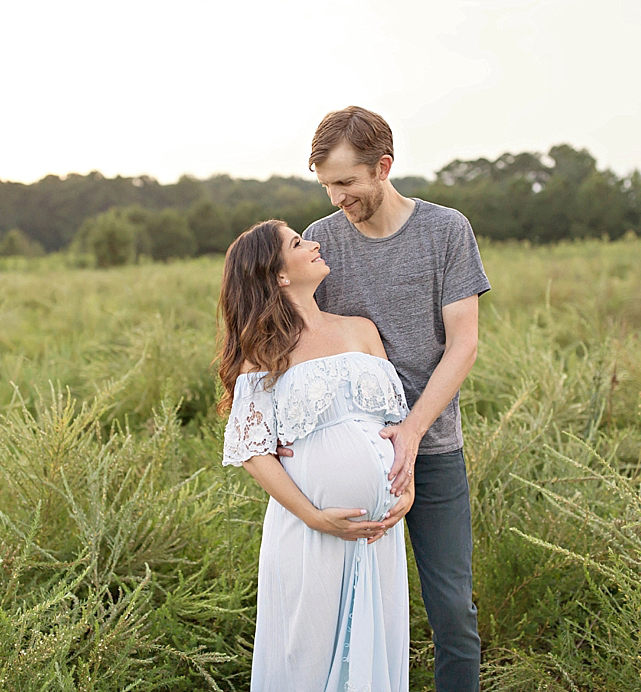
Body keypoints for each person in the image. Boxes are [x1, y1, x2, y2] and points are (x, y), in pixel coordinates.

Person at [291, 106, 491, 691]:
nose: (335, 198)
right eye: (326, 184)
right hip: (346, 455)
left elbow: (463, 345)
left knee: (452, 608)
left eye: (347, 182)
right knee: (347, 609)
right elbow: (295, 334)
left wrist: (410, 431)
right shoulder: (321, 240)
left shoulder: (446, 230)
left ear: (384, 167)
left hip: (431, 450)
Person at [220, 219, 415, 690]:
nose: (314, 244)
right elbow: (253, 451)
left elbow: (395, 425)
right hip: (312, 531)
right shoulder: (263, 353)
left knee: (375, 650)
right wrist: (314, 517)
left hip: (380, 534)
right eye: (297, 243)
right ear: (279, 275)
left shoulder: (361, 329)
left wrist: (404, 488)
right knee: (308, 656)